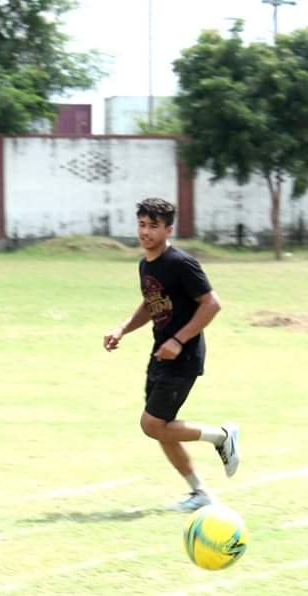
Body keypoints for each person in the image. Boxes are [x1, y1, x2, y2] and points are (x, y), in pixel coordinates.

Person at [104, 198, 240, 511]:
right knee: (162, 426)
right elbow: (151, 303)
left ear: (168, 229)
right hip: (161, 354)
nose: (145, 232)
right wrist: (123, 329)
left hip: (183, 356)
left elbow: (212, 304)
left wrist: (178, 341)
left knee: (152, 424)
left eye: (153, 226)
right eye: (142, 225)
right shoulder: (146, 264)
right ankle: (200, 493)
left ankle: (221, 437)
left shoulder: (181, 263)